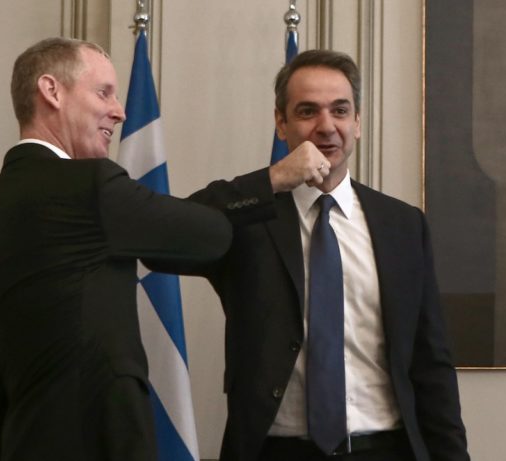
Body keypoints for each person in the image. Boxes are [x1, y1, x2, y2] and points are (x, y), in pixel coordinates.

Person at [0, 37, 233, 461]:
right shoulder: (89, 187)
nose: (119, 111)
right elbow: (211, 236)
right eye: (104, 93)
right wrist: (268, 183)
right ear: (51, 91)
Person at [185, 50, 470, 460]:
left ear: (358, 122)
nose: (326, 126)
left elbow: (431, 363)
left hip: (385, 448)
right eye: (307, 111)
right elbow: (170, 237)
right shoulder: (250, 219)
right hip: (277, 452)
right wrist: (272, 179)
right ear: (280, 123)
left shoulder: (403, 225)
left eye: (340, 110)